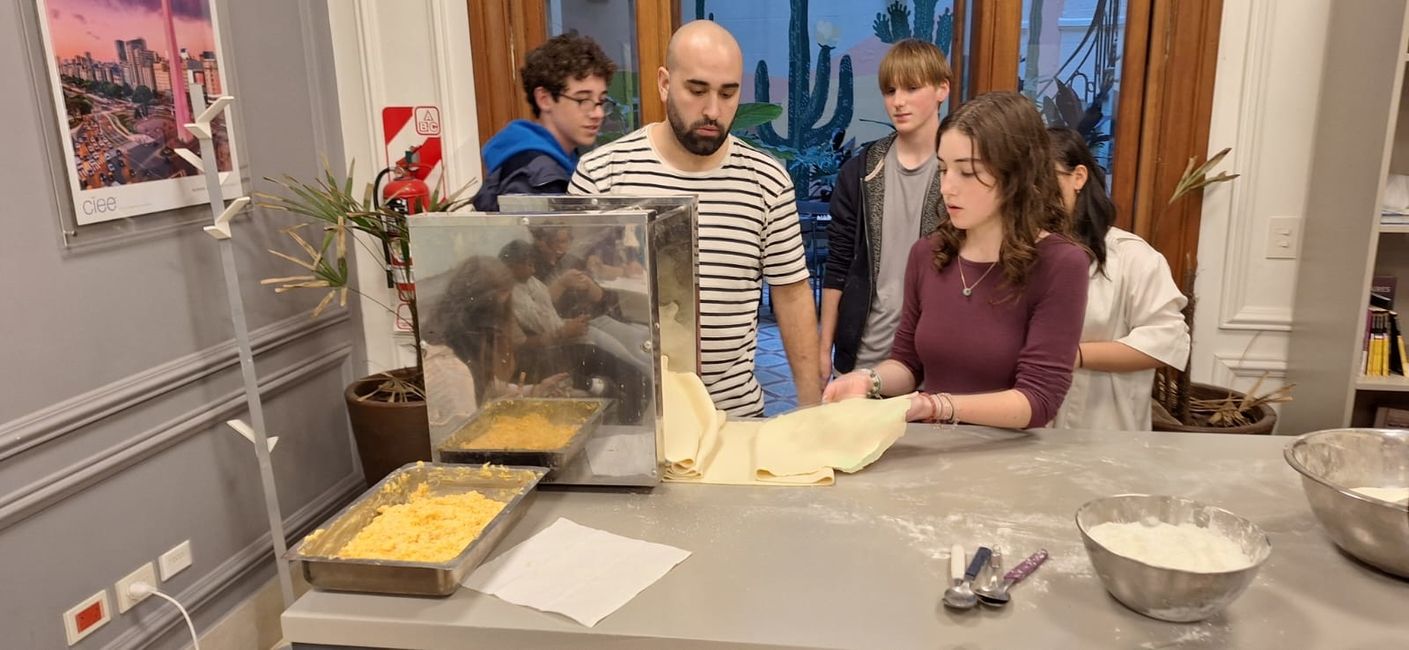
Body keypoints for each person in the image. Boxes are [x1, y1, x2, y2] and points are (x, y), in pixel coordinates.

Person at [569, 20, 822, 416]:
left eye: (728, 93)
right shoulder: (603, 174)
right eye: (697, 90)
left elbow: (791, 294)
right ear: (665, 83)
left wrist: (812, 409)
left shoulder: (766, 179)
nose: (713, 110)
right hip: (628, 415)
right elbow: (574, 295)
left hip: (733, 418)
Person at [822, 92, 1090, 429]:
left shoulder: (1061, 264)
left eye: (967, 172)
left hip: (1010, 466)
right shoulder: (928, 254)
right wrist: (868, 380)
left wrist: (934, 406)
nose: (947, 187)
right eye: (943, 169)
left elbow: (1037, 401)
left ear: (1016, 175)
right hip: (932, 455)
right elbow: (908, 364)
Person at [820, 38, 951, 380]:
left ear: (942, 89)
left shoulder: (962, 169)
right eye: (890, 90)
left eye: (911, 87)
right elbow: (837, 266)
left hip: (935, 362)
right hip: (862, 355)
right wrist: (823, 349)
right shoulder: (861, 170)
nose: (898, 101)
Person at [1047, 127, 1190, 431]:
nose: (1035, 195)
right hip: (1029, 433)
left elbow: (1166, 341)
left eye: (1044, 180)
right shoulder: (1020, 254)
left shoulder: (1131, 257)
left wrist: (1074, 356)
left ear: (1078, 177)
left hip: (1106, 428)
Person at [471, 34, 616, 211]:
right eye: (583, 100)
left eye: (601, 101)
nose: (598, 113)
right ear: (544, 99)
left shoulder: (561, 162)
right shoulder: (535, 176)